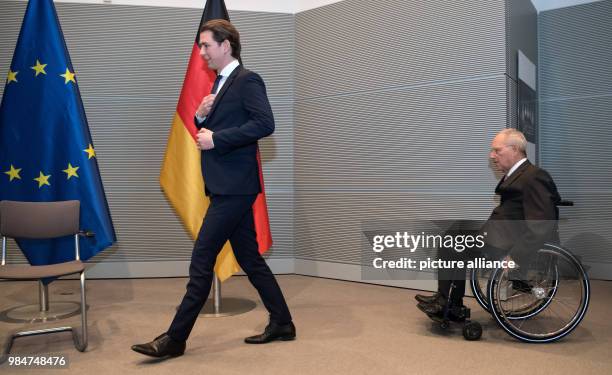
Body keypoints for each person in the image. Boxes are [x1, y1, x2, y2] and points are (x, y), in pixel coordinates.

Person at [132, 19, 294, 358]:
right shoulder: (220, 84)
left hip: (236, 188)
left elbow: (266, 123)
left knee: (202, 259)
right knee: (251, 258)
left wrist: (216, 138)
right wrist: (201, 118)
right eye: (201, 46)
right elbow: (219, 126)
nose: (202, 52)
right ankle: (283, 322)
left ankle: (175, 339)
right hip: (224, 186)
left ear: (226, 45)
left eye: (206, 45)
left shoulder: (248, 80)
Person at [416, 128, 561, 319]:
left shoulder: (534, 176)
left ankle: (448, 303)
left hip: (507, 243)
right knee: (453, 232)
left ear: (515, 149)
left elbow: (541, 224)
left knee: (453, 244)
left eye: (497, 150)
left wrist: (516, 256)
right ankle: (447, 300)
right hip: (500, 234)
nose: (492, 156)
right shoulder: (518, 174)